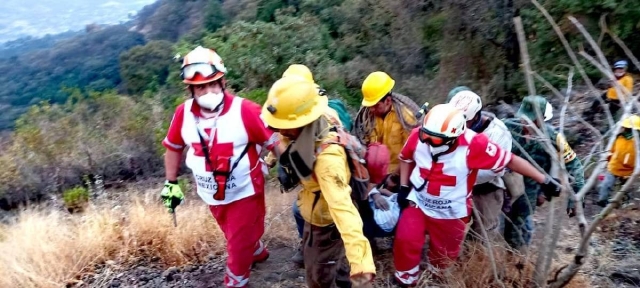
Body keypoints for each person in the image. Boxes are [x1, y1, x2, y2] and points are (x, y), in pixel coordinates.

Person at [392, 103, 562, 286]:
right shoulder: (419, 136)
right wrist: (403, 187)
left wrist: (544, 180)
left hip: (450, 213)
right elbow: (406, 158)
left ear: (453, 137)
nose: (427, 142)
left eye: (435, 140)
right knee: (405, 239)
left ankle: (434, 279)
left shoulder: (474, 145)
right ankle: (404, 280)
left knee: (444, 256)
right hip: (419, 202)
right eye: (425, 135)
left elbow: (510, 160)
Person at [160, 46, 280, 288]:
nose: (208, 91)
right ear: (191, 89)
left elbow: (274, 142)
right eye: (201, 87)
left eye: (213, 84)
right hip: (211, 193)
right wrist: (170, 183)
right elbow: (173, 147)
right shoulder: (183, 114)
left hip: (246, 190)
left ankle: (236, 280)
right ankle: (255, 250)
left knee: (236, 243)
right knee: (233, 233)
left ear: (223, 82)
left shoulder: (245, 111)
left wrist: (293, 166)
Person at [262, 76, 376, 288]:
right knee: (335, 259)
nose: (279, 131)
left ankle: (343, 276)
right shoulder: (323, 114)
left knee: (316, 276)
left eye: (284, 126)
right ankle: (343, 279)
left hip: (323, 220)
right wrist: (269, 160)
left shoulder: (327, 162)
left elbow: (345, 213)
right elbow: (284, 139)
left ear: (303, 122)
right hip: (315, 207)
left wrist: (362, 267)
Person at [502, 95, 585, 250]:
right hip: (503, 190)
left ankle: (516, 262)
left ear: (541, 118)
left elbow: (574, 164)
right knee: (497, 230)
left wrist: (575, 196)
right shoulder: (507, 127)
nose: (526, 123)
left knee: (518, 235)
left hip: (529, 194)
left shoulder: (553, 137)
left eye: (532, 119)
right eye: (523, 118)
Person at [448, 89, 513, 240]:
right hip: (455, 187)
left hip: (486, 188)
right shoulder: (451, 126)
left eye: (465, 121)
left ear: (476, 116)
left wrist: (462, 175)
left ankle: (477, 257)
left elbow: (494, 170)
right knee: (450, 230)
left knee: (483, 234)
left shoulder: (498, 133)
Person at [597, 114, 640, 207]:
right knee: (606, 184)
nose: (624, 129)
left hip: (629, 171)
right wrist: (607, 161)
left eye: (627, 128)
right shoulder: (619, 138)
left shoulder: (637, 142)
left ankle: (621, 204)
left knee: (623, 189)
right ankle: (602, 201)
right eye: (624, 127)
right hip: (614, 167)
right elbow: (612, 151)